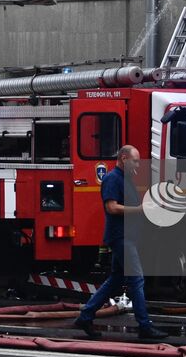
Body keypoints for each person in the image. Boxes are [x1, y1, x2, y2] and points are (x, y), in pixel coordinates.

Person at [72, 145, 169, 341]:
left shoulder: (125, 179)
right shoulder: (112, 179)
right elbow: (112, 208)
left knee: (116, 279)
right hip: (120, 237)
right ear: (123, 158)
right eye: (134, 160)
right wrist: (141, 209)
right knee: (136, 279)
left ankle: (86, 315)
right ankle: (144, 326)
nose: (137, 165)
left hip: (127, 237)